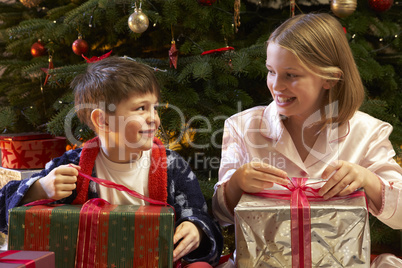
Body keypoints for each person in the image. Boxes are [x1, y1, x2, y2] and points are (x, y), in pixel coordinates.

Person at [212, 13, 402, 266]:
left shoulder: (366, 133)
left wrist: (368, 180)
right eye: (271, 71)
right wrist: (236, 183)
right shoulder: (242, 127)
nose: (276, 86)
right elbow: (220, 214)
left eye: (291, 75)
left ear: (330, 78)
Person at [0, 56, 223, 267]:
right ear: (103, 120)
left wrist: (196, 230)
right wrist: (38, 190)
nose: (154, 118)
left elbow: (201, 217)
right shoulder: (72, 166)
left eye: (154, 107)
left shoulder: (172, 165)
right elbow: (4, 212)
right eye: (141, 108)